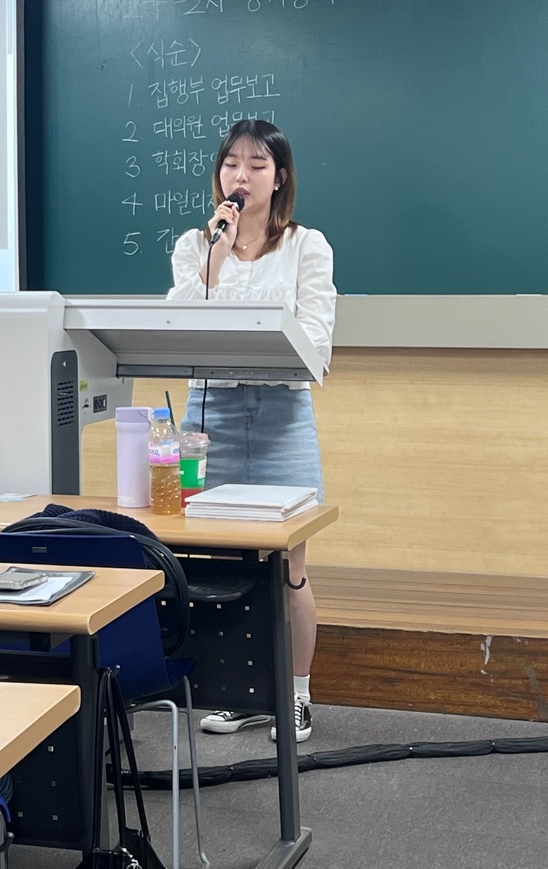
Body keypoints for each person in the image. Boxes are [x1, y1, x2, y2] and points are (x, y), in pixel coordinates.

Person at [167, 119, 335, 744]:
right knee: (222, 561)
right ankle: (239, 692)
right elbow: (178, 324)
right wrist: (216, 253)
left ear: (279, 177)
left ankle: (296, 694)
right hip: (209, 415)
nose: (241, 176)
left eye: (257, 165)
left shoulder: (306, 246)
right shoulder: (196, 244)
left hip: (282, 417)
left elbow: (316, 340)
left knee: (289, 565)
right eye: (231, 164)